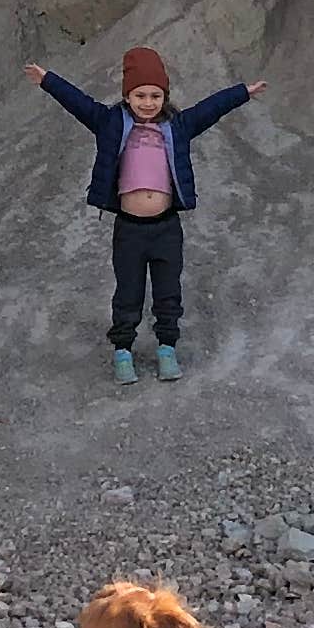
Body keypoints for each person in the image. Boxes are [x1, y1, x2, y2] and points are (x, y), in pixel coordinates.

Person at [25, 48, 266, 383]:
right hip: (129, 230)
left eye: (155, 95)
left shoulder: (178, 126)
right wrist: (46, 80)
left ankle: (167, 348)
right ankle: (123, 350)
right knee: (128, 292)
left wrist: (242, 93)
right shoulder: (110, 122)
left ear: (165, 97)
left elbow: (211, 108)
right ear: (127, 96)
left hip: (166, 228)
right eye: (140, 95)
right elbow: (77, 101)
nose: (148, 102)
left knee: (168, 291)